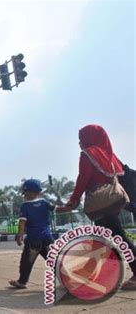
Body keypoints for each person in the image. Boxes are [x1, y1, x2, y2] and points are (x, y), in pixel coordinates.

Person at [56, 124, 136, 290]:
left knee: (114, 238)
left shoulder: (88, 154)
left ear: (89, 138)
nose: (79, 143)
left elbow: (83, 179)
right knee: (105, 239)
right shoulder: (110, 155)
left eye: (81, 139)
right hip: (112, 201)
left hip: (100, 204)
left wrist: (73, 201)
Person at [9, 179, 55, 289]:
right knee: (54, 260)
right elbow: (57, 209)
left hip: (33, 240)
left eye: (25, 193)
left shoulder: (25, 206)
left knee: (26, 262)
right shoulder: (44, 203)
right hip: (47, 238)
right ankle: (68, 279)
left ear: (31, 193)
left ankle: (22, 282)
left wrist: (19, 236)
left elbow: (22, 222)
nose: (24, 195)